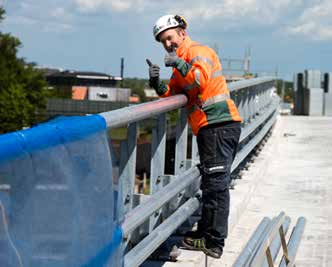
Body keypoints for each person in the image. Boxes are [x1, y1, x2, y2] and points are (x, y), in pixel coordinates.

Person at [146, 14, 242, 259]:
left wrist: (177, 63)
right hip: (208, 127)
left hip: (219, 124)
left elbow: (199, 79)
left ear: (182, 33)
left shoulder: (199, 52)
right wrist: (156, 82)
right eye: (162, 42)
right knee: (211, 183)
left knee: (217, 185)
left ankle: (214, 242)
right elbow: (174, 94)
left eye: (169, 37)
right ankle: (206, 233)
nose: (167, 44)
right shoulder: (182, 62)